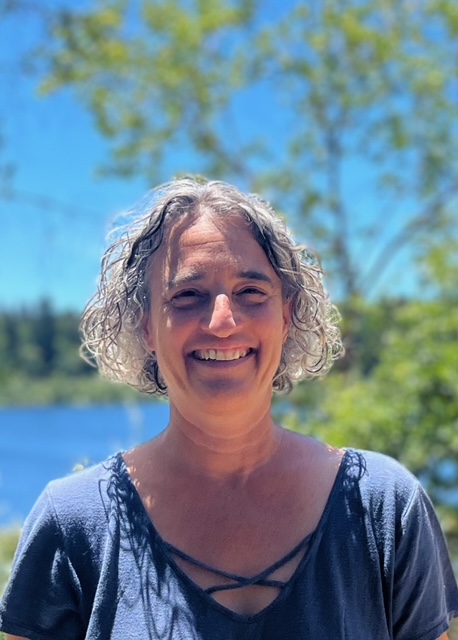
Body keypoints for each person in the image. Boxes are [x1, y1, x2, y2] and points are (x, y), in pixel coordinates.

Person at [1, 178, 457, 640]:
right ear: (146, 329)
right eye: (186, 295)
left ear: (286, 315)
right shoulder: (73, 523)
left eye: (251, 292)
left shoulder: (384, 509)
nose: (222, 321)